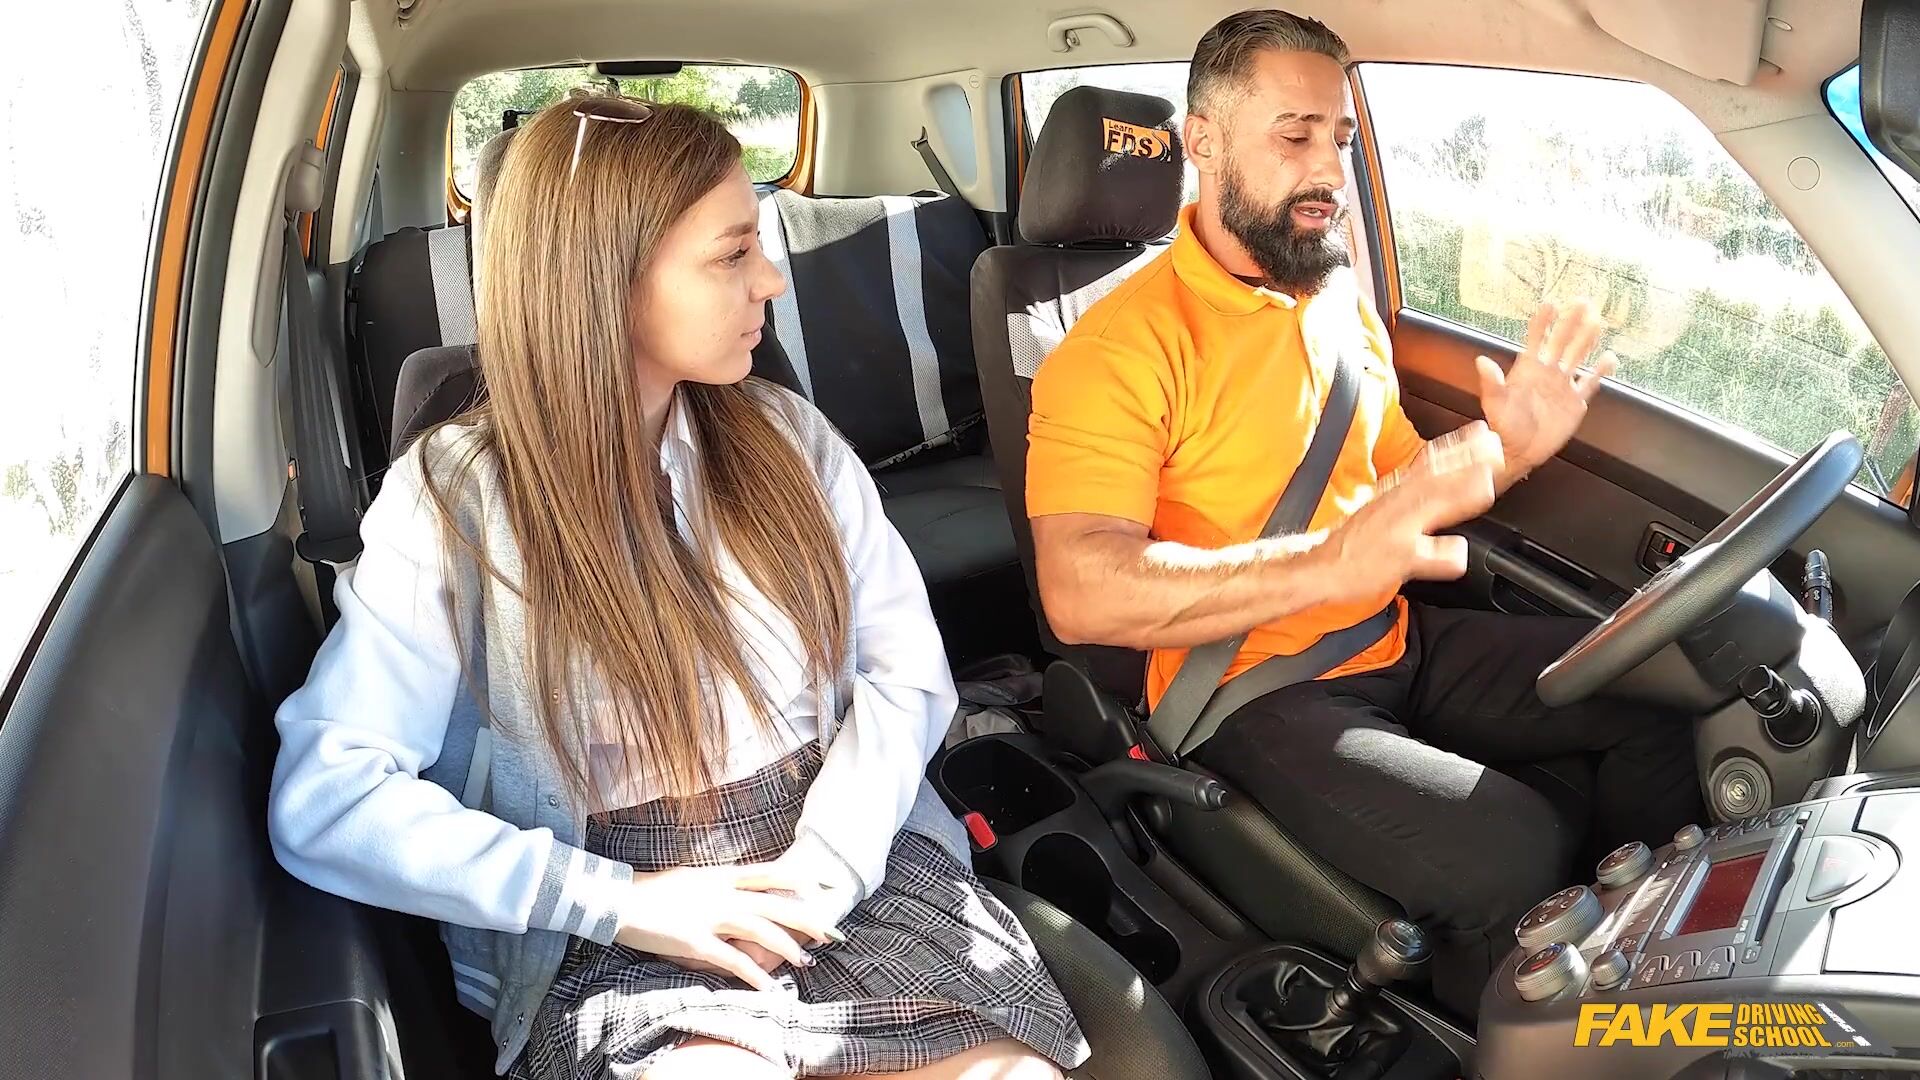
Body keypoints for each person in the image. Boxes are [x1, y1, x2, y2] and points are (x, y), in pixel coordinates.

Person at [268, 94, 1088, 1080]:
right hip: (610, 914)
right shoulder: (455, 503)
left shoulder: (791, 440)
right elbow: (330, 798)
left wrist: (823, 870)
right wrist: (617, 902)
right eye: (732, 254)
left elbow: (906, 675)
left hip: (845, 849)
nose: (772, 280)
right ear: (603, 279)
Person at [1024, 10, 1703, 1016]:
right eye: (1293, 135)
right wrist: (1327, 564)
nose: (1327, 170)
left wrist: (1512, 445)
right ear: (1203, 142)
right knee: (1513, 848)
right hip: (1250, 689)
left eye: (1338, 139)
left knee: (1658, 679)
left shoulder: (1334, 297)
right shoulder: (1117, 350)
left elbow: (1398, 485)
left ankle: (1647, 963)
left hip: (1391, 638)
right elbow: (1081, 590)